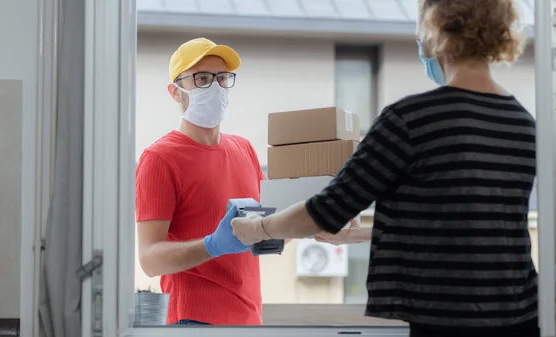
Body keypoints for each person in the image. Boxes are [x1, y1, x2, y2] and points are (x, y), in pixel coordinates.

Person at [231, 1, 538, 336]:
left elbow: (324, 210)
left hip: (448, 318)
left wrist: (260, 228)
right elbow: (462, 225)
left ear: (437, 30)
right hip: (521, 317)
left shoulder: (411, 120)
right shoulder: (523, 124)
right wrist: (358, 234)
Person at [135, 37, 266, 326]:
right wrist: (211, 246)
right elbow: (149, 260)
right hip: (194, 321)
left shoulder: (245, 150)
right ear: (175, 91)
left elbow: (266, 228)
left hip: (249, 320)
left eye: (222, 78)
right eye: (202, 79)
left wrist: (314, 222)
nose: (216, 88)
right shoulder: (160, 159)